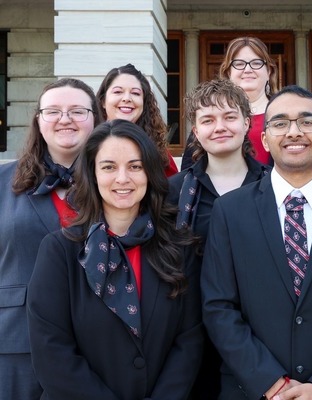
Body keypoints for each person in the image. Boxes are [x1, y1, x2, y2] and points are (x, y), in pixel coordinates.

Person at [201, 85, 312, 400]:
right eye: (280, 123)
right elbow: (218, 307)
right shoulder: (230, 211)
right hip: (251, 390)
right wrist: (270, 382)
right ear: (264, 138)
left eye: (307, 121)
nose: (294, 132)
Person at [27, 119, 203, 399]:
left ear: (149, 173)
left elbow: (189, 340)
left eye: (135, 166)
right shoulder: (59, 251)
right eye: (109, 167)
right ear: (93, 174)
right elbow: (51, 350)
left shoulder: (179, 247)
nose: (123, 178)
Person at [168, 78, 270, 399]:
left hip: (262, 339)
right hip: (191, 337)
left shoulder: (274, 187)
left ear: (246, 122)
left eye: (228, 117)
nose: (220, 127)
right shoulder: (174, 192)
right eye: (208, 120)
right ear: (196, 132)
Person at [0, 78, 101, 400]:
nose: (65, 118)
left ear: (96, 119)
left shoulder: (116, 183)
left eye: (77, 111)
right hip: (17, 342)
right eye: (53, 111)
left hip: (98, 343)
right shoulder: (2, 181)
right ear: (39, 121)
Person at [181, 36, 279, 169]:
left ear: (268, 71)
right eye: (239, 64)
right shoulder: (209, 116)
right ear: (228, 73)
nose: (248, 69)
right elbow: (190, 168)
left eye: (256, 63)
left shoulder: (283, 113)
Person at [96, 63, 179, 176]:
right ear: (103, 101)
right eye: (118, 92)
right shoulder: (88, 145)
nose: (127, 98)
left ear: (144, 103)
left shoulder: (158, 152)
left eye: (135, 93)